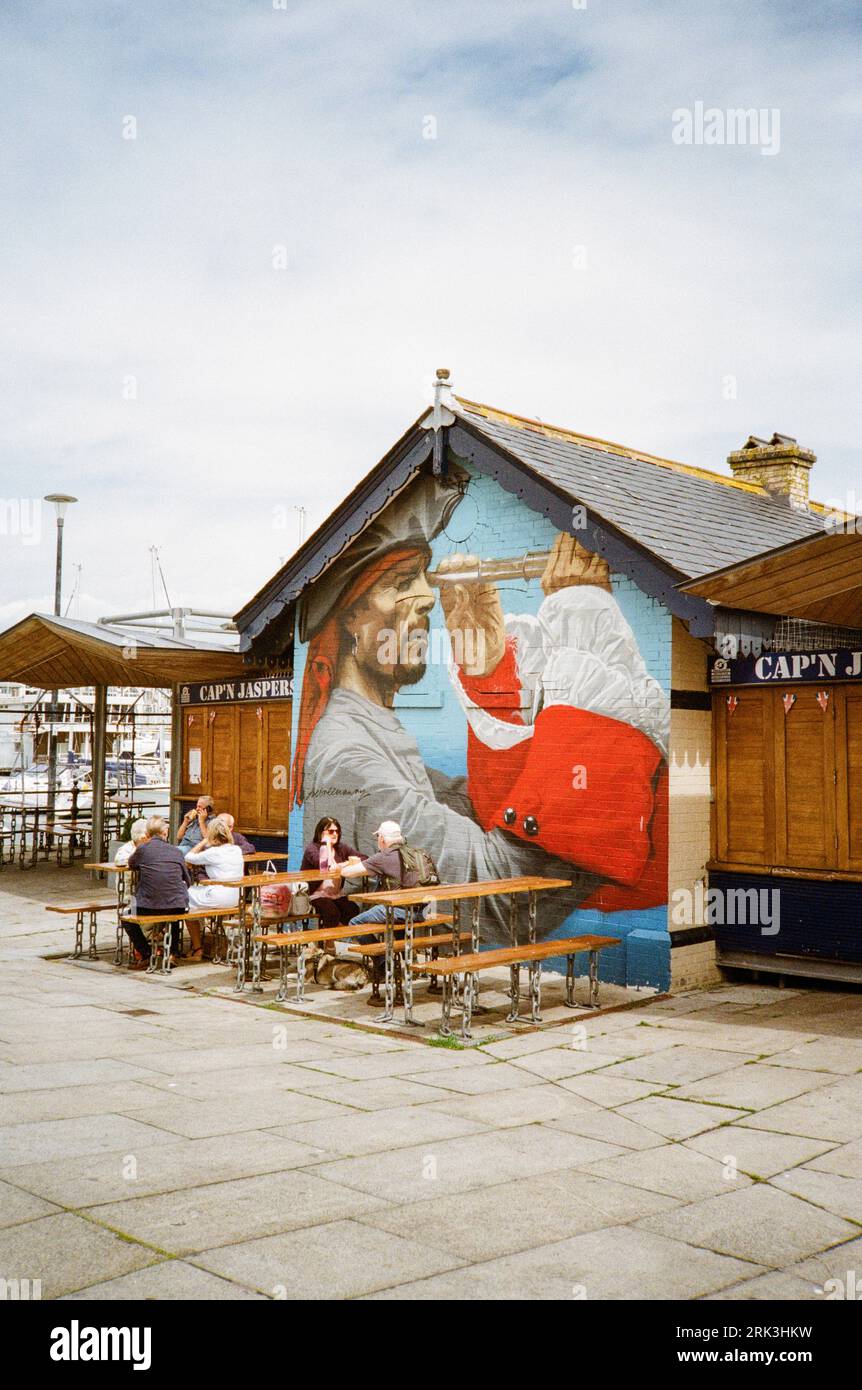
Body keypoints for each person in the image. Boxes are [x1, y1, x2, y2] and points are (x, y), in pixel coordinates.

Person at [291, 469, 669, 943]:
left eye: (423, 577)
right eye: (402, 580)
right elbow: (503, 900)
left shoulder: (371, 735)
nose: (428, 597)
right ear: (350, 617)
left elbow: (489, 816)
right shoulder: (349, 760)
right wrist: (584, 627)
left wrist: (493, 680)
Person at [125, 815, 191, 969]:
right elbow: (187, 880)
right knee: (174, 916)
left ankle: (146, 953)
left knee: (127, 918)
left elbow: (131, 863)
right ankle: (173, 954)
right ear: (165, 833)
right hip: (177, 904)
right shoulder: (176, 851)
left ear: (148, 833)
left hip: (149, 904)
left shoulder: (142, 849)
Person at [184, 815, 244, 960]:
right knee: (194, 895)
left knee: (183, 898)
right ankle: (206, 938)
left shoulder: (212, 853)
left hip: (218, 896)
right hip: (235, 897)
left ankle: (197, 947)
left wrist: (204, 841)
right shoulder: (236, 850)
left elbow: (188, 857)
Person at [300, 816, 361, 930]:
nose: (334, 834)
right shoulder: (312, 849)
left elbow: (363, 857)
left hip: (335, 894)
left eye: (337, 831)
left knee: (352, 909)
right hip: (314, 894)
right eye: (331, 831)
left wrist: (344, 864)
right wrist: (325, 844)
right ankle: (328, 943)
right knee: (332, 912)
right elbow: (322, 865)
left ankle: (329, 937)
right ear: (321, 833)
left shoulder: (341, 848)